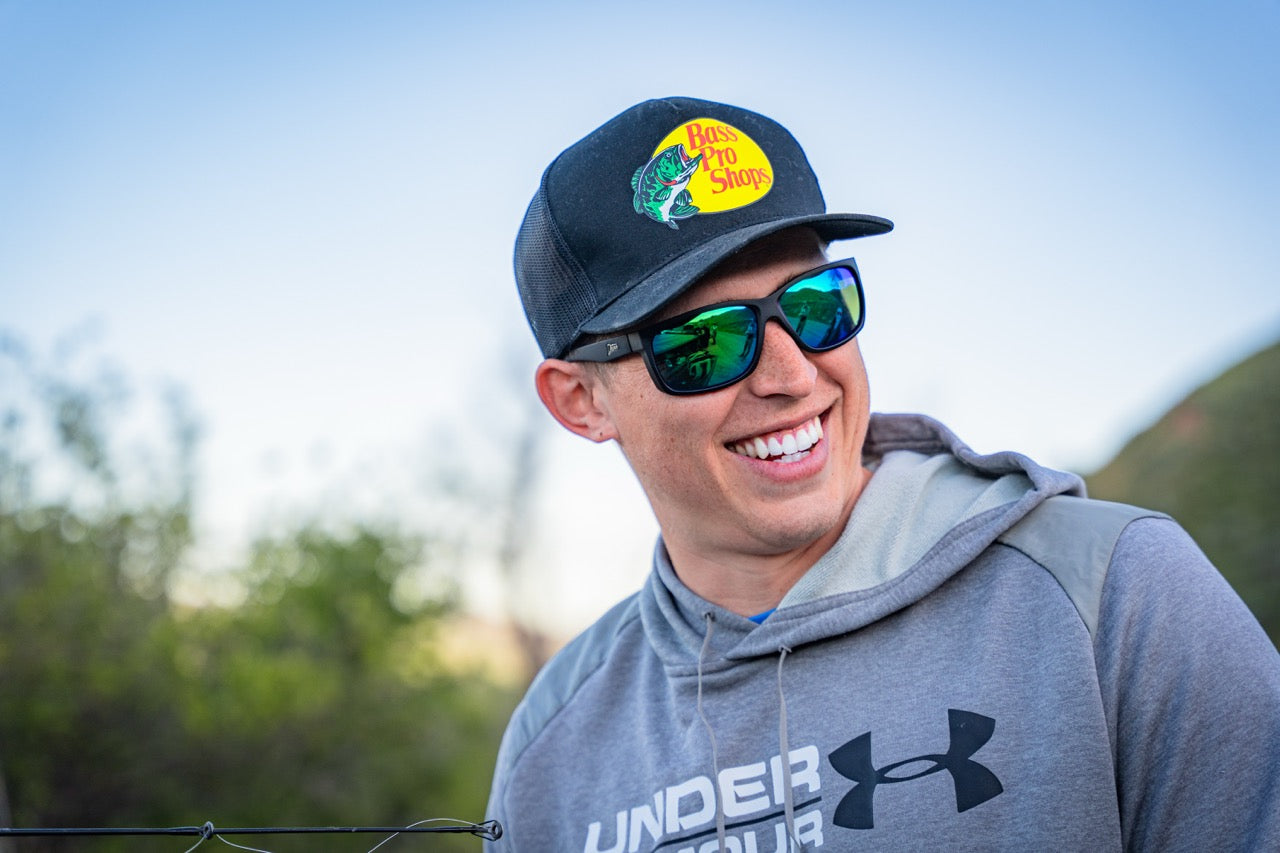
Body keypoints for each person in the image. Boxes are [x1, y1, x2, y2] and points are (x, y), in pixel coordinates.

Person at [485, 97, 1280, 852]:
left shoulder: (1116, 594)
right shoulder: (551, 747)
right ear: (581, 399)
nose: (792, 373)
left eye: (816, 303)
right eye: (707, 342)